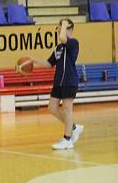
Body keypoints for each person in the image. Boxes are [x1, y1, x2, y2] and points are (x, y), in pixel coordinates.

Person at [27, 19, 84, 150]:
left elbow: (63, 38)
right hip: (58, 82)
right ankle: (74, 127)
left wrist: (64, 24)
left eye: (61, 27)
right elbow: (49, 64)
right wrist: (33, 60)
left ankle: (67, 139)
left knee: (67, 109)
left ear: (69, 28)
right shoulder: (58, 48)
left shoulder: (73, 43)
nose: (59, 29)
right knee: (52, 108)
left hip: (69, 80)